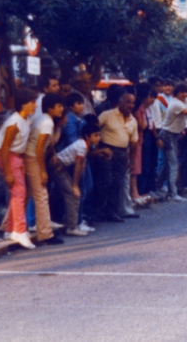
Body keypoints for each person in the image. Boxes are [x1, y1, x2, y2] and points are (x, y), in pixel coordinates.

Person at [0, 87, 37, 249]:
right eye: (33, 102)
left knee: (17, 194)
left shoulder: (24, 120)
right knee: (19, 193)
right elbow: (4, 148)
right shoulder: (14, 123)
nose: (35, 105)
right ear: (24, 104)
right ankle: (20, 231)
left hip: (16, 156)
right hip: (8, 156)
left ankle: (11, 229)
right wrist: (8, 172)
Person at [24, 92, 66, 246]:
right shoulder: (47, 123)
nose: (62, 109)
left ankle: (7, 227)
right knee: (41, 196)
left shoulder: (41, 118)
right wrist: (42, 171)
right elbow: (39, 149)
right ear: (50, 108)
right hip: (33, 158)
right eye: (59, 106)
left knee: (26, 194)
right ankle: (45, 233)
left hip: (29, 156)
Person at [55, 123, 102, 236]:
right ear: (87, 136)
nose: (98, 138)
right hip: (57, 168)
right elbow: (78, 166)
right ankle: (71, 227)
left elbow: (81, 165)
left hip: (62, 168)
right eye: (95, 135)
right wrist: (75, 185)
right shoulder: (82, 146)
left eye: (99, 135)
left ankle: (73, 224)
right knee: (73, 194)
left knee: (73, 194)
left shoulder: (85, 145)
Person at [98, 92, 139, 220]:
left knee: (118, 183)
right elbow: (93, 130)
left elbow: (134, 143)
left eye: (132, 103)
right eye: (128, 102)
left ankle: (112, 212)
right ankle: (98, 210)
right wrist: (98, 149)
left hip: (122, 154)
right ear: (120, 102)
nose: (130, 105)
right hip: (106, 151)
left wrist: (132, 160)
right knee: (106, 181)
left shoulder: (133, 121)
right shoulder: (107, 115)